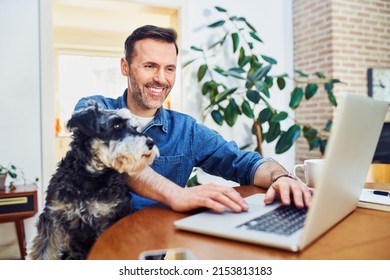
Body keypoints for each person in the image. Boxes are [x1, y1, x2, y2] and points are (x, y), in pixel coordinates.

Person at [74, 25, 312, 213]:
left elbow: (246, 163)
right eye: (150, 66)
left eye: (169, 68)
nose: (161, 78)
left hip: (152, 251)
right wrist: (177, 194)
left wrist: (281, 177)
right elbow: (116, 152)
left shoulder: (186, 131)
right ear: (125, 67)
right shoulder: (94, 108)